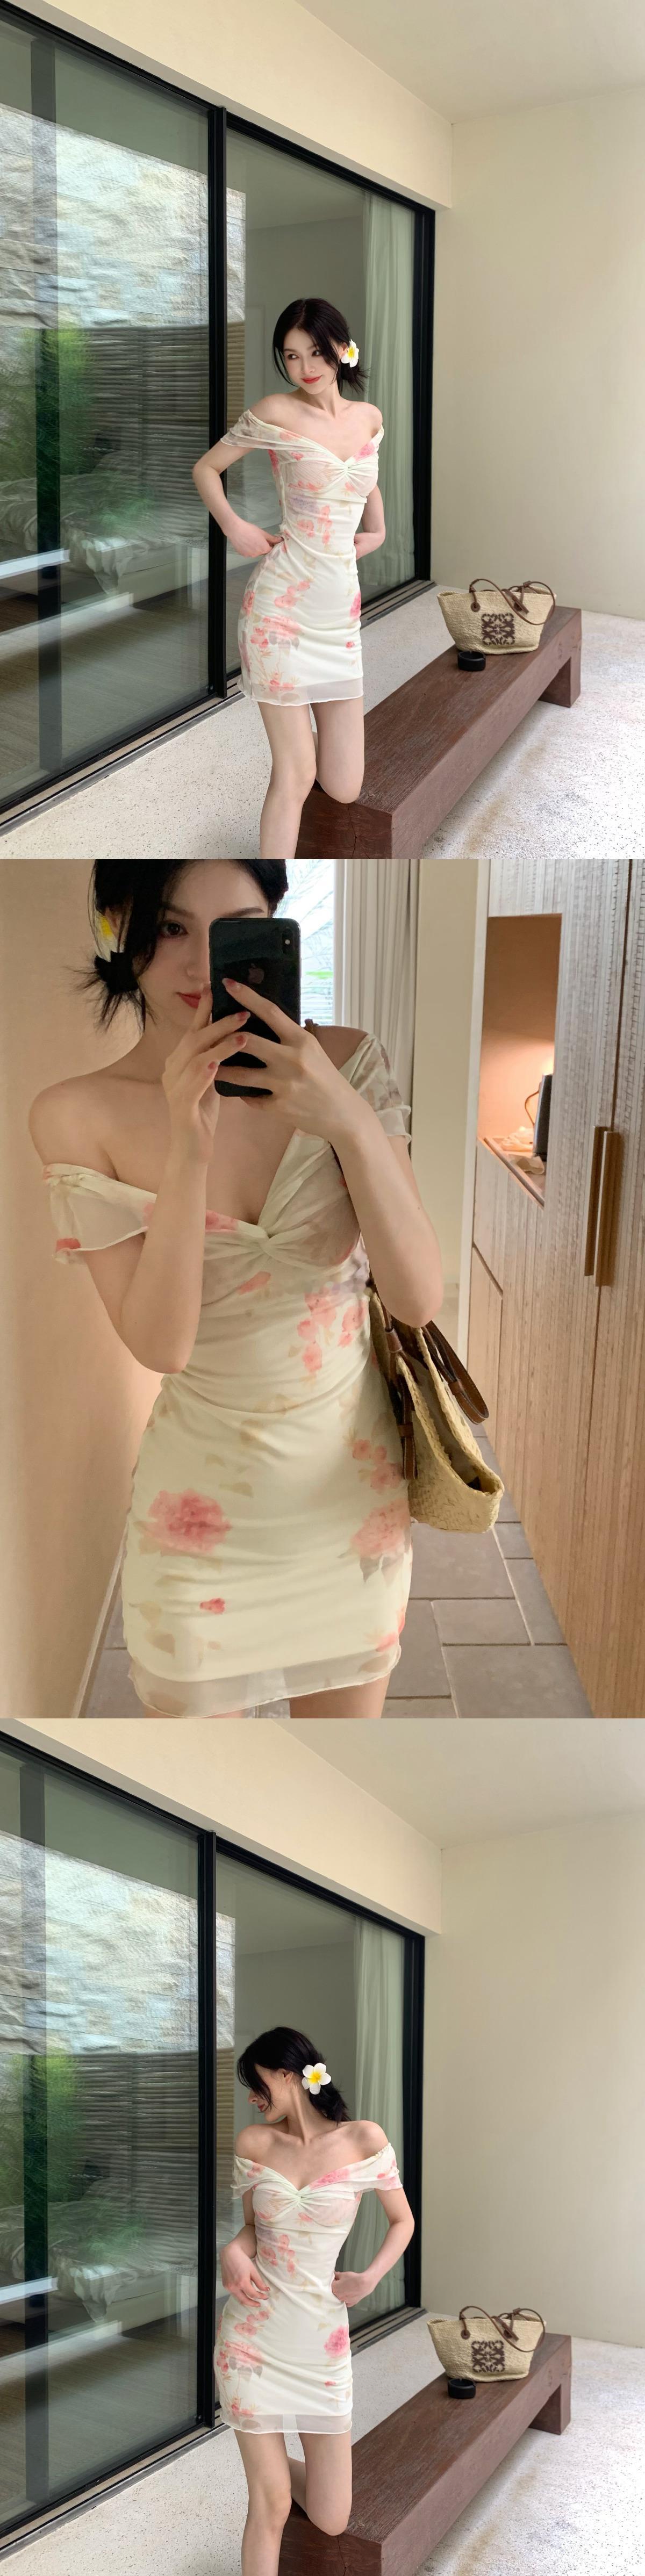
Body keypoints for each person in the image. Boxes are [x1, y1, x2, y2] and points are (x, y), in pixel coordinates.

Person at [29, 860, 442, 1721]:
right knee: (200, 1787)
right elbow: (163, 1345)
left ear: (277, 927)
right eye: (170, 927)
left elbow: (417, 1297)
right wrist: (188, 1144)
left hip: (349, 1509)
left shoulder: (349, 1063)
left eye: (235, 929)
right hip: (200, 1531)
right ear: (117, 927)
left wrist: (347, 1120)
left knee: (340, 1780)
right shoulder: (77, 1113)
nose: (198, 966)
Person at [216, 2025, 414, 2575]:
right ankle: (269, 2474)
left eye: (256, 2084)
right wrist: (232, 2252)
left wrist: (369, 2278)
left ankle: (272, 2464)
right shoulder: (255, 2144)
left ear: (287, 2075)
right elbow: (251, 2231)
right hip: (251, 2342)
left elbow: (403, 2221)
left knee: (331, 2516)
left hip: (320, 2347)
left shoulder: (363, 2139)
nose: (252, 2099)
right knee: (272, 2505)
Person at [192, 298, 386, 858]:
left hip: (339, 618)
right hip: (280, 614)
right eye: (292, 355)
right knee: (296, 774)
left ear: (343, 350)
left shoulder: (368, 417)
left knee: (345, 786)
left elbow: (365, 476)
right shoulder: (276, 411)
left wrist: (377, 531)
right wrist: (235, 527)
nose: (305, 367)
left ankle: (302, 723)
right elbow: (207, 468)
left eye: (317, 352)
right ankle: (271, 882)